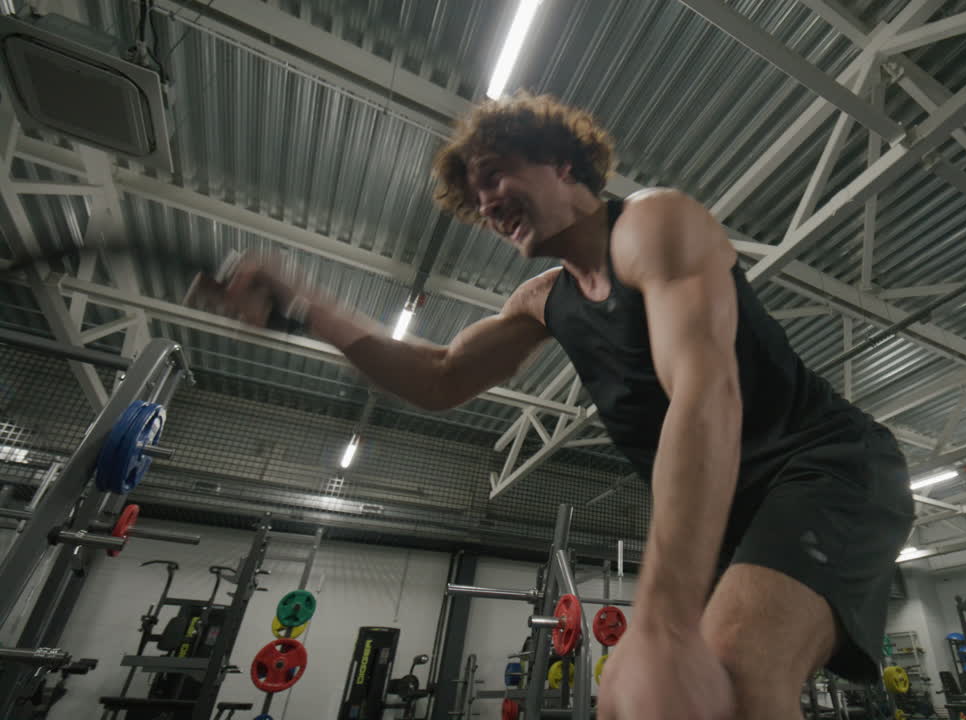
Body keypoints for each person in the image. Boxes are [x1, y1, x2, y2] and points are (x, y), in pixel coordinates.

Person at [205, 93, 914, 720]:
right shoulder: (545, 300)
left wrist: (662, 623)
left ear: (563, 164)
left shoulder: (653, 224)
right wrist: (303, 308)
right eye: (475, 196)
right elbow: (440, 378)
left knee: (730, 678)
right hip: (738, 510)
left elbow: (706, 393)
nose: (485, 203)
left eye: (495, 175)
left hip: (828, 470)